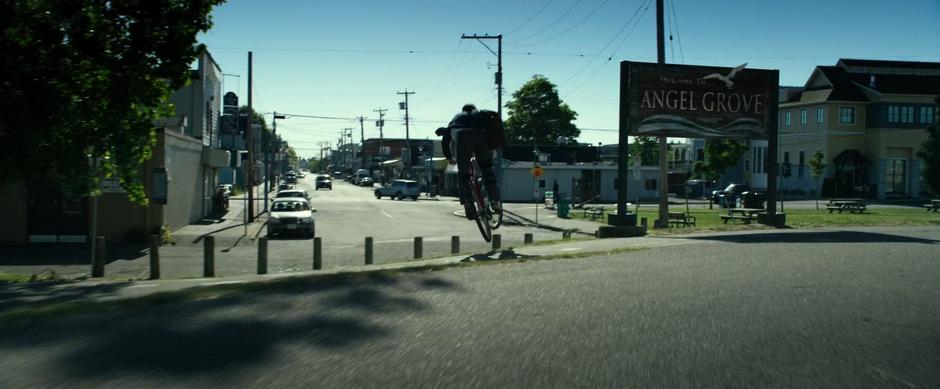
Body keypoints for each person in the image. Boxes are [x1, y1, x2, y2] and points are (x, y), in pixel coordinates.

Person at [436, 104, 501, 219]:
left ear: (463, 110)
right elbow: (491, 133)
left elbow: (446, 139)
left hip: (463, 137)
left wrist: (449, 157)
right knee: (487, 170)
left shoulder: (457, 118)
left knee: (464, 173)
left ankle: (467, 201)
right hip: (481, 137)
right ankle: (494, 200)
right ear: (474, 109)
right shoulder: (480, 115)